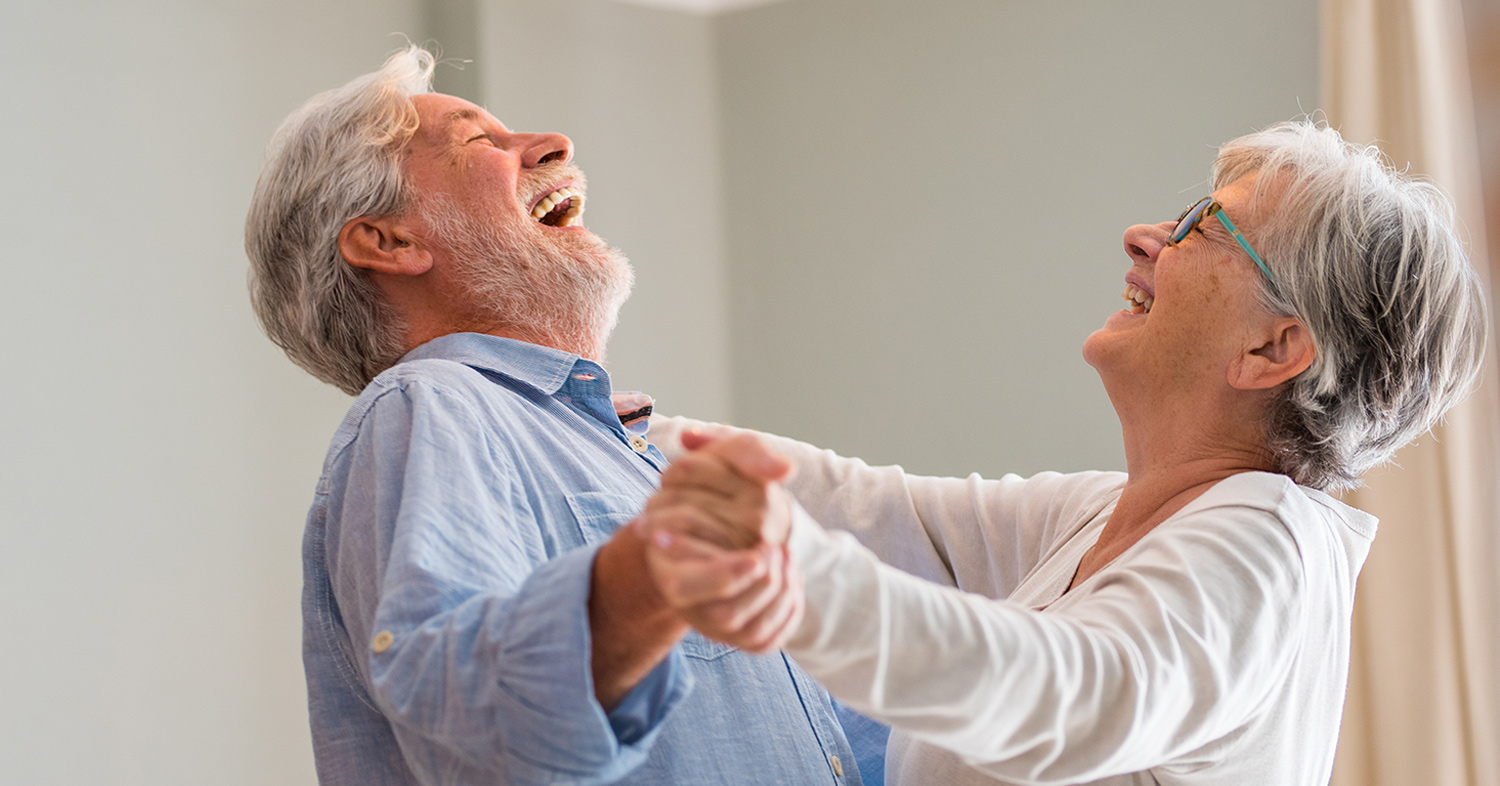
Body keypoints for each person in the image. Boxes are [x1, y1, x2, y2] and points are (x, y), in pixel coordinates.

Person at [639, 121, 1489, 785]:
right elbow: (869, 509)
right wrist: (623, 428)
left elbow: (1068, 690)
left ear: (1272, 351)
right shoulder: (1105, 514)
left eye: (1204, 224)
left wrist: (799, 579)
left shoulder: (1267, 551)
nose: (1143, 236)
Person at [244, 45, 865, 785]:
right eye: (481, 140)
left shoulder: (626, 447)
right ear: (390, 241)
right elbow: (476, 734)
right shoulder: (433, 405)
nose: (553, 145)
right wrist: (654, 572)